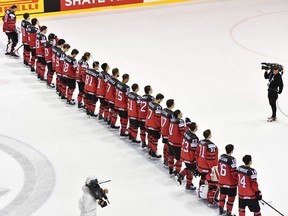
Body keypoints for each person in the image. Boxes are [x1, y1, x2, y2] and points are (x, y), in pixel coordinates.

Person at [196, 129, 218, 206]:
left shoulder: (200, 142)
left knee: (202, 179)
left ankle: (200, 193)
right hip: (207, 167)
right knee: (212, 184)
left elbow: (197, 153)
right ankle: (211, 200)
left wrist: (198, 162)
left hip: (200, 165)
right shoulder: (212, 146)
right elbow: (212, 158)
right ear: (209, 135)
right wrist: (214, 168)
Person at [176, 122, 199, 191]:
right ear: (195, 129)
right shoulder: (194, 138)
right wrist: (195, 160)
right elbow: (193, 150)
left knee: (189, 170)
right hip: (189, 157)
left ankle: (188, 184)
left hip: (183, 154)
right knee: (191, 170)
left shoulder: (186, 132)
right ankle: (181, 175)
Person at [218, 144, 238, 216]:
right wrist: (237, 179)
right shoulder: (232, 160)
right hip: (231, 183)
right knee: (231, 199)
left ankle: (221, 209)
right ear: (232, 150)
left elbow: (219, 168)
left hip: (222, 181)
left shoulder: (221, 157)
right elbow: (233, 173)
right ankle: (228, 212)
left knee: (222, 196)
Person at [145, 93, 164, 159]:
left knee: (150, 137)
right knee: (155, 140)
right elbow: (158, 119)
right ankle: (153, 153)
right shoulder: (158, 107)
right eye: (161, 100)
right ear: (159, 99)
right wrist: (160, 127)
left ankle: (150, 151)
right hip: (154, 125)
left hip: (148, 123)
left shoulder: (150, 103)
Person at [168, 109, 185, 176]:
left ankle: (170, 170)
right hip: (176, 143)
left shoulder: (172, 120)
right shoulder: (180, 121)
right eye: (181, 113)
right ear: (178, 114)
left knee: (171, 156)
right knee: (179, 159)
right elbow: (182, 132)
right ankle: (177, 172)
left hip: (170, 141)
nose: (182, 113)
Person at [161, 99, 175, 168]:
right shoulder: (171, 114)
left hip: (163, 130)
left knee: (165, 145)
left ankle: (165, 159)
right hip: (168, 132)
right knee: (168, 147)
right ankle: (167, 161)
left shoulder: (163, 110)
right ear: (172, 105)